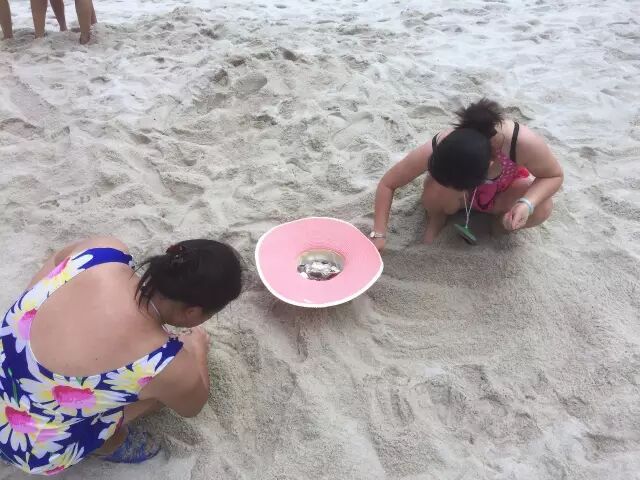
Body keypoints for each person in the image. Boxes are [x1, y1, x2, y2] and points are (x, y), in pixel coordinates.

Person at [0, 236, 243, 474]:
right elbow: (192, 406)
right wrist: (197, 349)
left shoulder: (103, 251)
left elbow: (55, 263)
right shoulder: (164, 362)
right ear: (193, 312)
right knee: (159, 395)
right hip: (26, 447)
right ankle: (110, 444)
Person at [371, 98, 563, 248]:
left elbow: (554, 175)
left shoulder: (522, 143)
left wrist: (526, 204)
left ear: (491, 162)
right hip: (456, 197)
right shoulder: (447, 143)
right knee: (436, 188)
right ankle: (437, 216)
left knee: (542, 207)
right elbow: (388, 183)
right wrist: (379, 234)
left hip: (501, 192)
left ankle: (500, 224)